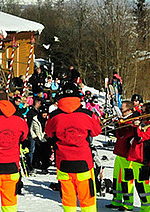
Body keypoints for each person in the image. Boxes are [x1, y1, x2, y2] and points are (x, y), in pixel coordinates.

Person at [44, 82, 101, 212]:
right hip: (84, 163)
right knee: (87, 201)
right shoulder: (87, 114)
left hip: (63, 163)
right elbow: (96, 131)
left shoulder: (54, 116)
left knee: (68, 200)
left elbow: (48, 132)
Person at [125, 103, 150, 212]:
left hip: (144, 158)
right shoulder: (145, 123)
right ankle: (145, 207)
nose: (141, 114)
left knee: (143, 186)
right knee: (138, 184)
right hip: (136, 156)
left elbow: (140, 138)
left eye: (143, 112)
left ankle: (148, 209)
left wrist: (136, 126)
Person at [107, 101, 138, 210]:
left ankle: (128, 203)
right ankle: (116, 200)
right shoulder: (124, 120)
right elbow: (118, 135)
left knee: (126, 180)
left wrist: (120, 126)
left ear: (129, 110)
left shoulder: (133, 121)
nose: (121, 111)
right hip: (119, 152)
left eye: (123, 110)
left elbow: (126, 135)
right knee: (117, 178)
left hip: (127, 154)